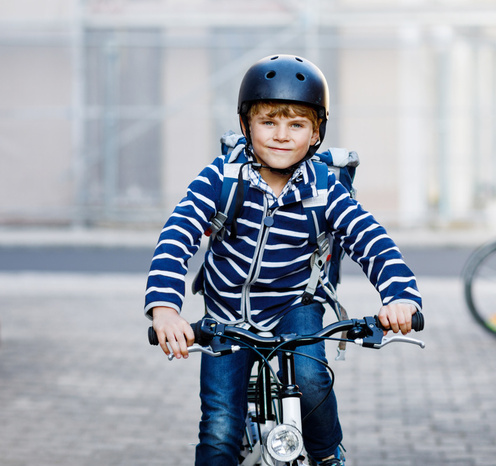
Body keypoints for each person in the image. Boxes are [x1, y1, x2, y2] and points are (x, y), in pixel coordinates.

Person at [144, 54, 422, 466]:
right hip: (227, 313)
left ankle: (329, 456)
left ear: (315, 134)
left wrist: (399, 296)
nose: (281, 135)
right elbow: (177, 236)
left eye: (296, 124)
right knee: (220, 429)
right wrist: (165, 309)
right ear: (246, 126)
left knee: (311, 379)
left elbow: (371, 240)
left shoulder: (326, 191)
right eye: (268, 122)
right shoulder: (220, 179)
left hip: (295, 305)